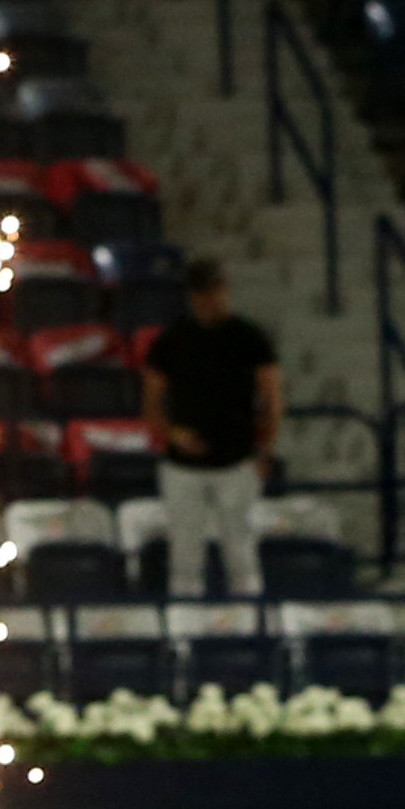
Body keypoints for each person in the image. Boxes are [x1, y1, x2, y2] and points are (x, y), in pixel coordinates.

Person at [139, 257, 282, 600]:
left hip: (237, 459)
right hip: (183, 465)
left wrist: (265, 450)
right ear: (191, 296)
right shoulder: (171, 340)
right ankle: (187, 634)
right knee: (185, 556)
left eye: (214, 290)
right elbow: (152, 406)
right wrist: (175, 435)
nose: (208, 299)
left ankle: (249, 631)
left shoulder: (250, 338)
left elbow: (272, 401)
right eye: (201, 292)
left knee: (241, 552)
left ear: (225, 290)